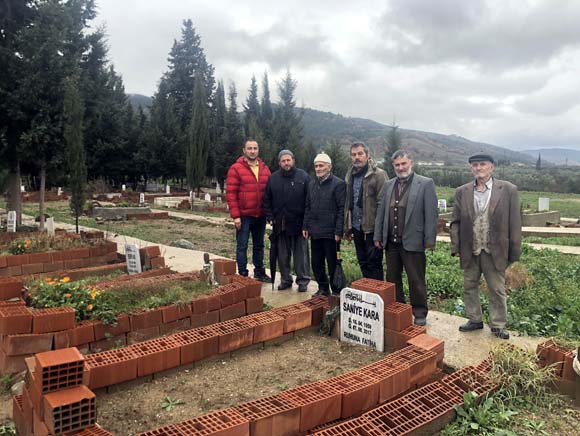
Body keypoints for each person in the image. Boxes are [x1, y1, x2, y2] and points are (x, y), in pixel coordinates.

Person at [450, 153, 521, 340]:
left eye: (482, 164)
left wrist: (514, 251)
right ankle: (474, 319)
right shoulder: (462, 191)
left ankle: (498, 324)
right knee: (469, 286)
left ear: (492, 167)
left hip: (495, 250)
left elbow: (515, 222)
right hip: (470, 248)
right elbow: (455, 221)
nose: (478, 168)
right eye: (475, 165)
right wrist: (455, 246)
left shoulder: (508, 190)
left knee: (496, 288)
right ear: (471, 168)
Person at [374, 150, 438, 326]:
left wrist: (429, 240)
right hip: (392, 242)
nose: (401, 168)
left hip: (413, 240)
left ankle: (420, 312)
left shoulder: (425, 183)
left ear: (411, 163)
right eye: (397, 165)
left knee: (416, 279)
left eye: (403, 164)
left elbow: (431, 214)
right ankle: (398, 309)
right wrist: (378, 235)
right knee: (393, 278)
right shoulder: (389, 185)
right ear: (393, 166)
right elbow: (381, 212)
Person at [263, 149, 310, 292]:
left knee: (301, 256)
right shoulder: (273, 178)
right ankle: (286, 280)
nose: (286, 163)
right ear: (279, 163)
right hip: (281, 223)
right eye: (283, 161)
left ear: (293, 160)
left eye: (288, 160)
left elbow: (309, 201)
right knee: (282, 255)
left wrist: (307, 223)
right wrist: (270, 217)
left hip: (299, 224)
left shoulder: (303, 176)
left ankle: (303, 281)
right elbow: (266, 200)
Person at [225, 139, 271, 281]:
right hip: (244, 215)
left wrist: (270, 214)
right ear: (244, 150)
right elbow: (231, 193)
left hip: (260, 214)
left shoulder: (264, 168)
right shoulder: (236, 168)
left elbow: (270, 192)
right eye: (249, 148)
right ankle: (243, 274)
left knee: (259, 245)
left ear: (258, 150)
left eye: (255, 148)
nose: (252, 151)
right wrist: (236, 216)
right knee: (242, 245)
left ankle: (259, 272)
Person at [344, 142, 388, 280]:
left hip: (372, 228)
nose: (357, 157)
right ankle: (367, 290)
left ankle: (377, 290)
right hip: (357, 226)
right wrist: (347, 228)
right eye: (353, 155)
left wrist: (379, 232)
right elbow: (348, 203)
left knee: (374, 263)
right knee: (362, 261)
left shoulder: (378, 175)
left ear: (368, 155)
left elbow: (383, 204)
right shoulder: (350, 175)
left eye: (360, 154)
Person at [303, 153, 346, 296]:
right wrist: (305, 226)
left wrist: (338, 231)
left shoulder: (338, 184)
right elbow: (308, 206)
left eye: (321, 165)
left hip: (330, 233)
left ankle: (336, 291)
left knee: (333, 263)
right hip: (315, 231)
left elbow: (341, 209)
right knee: (316, 263)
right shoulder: (311, 184)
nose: (318, 168)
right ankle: (323, 288)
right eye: (316, 166)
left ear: (329, 167)